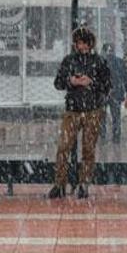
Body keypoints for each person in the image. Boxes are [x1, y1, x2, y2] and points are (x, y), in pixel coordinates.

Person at [49, 27, 111, 199]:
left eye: (84, 43)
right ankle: (60, 184)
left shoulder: (99, 62)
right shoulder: (69, 61)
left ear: (90, 44)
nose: (81, 46)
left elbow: (107, 86)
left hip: (93, 110)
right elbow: (58, 83)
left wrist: (91, 82)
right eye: (78, 43)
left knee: (88, 149)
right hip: (72, 110)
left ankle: (84, 184)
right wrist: (72, 81)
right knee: (64, 147)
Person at [100, 43, 127, 143]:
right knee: (116, 118)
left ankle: (103, 138)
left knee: (101, 118)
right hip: (116, 94)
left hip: (103, 94)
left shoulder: (100, 62)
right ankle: (116, 139)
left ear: (103, 51)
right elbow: (126, 79)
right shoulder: (119, 62)